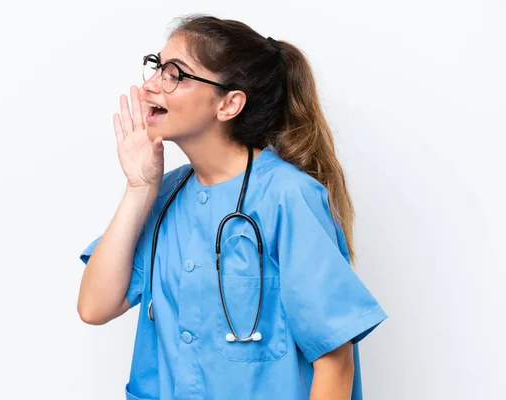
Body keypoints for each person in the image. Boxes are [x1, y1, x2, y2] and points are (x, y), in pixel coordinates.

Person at [77, 14, 387, 400]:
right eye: (157, 67)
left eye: (175, 74)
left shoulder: (287, 197)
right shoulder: (164, 195)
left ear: (229, 104)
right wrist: (139, 188)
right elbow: (94, 307)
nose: (150, 85)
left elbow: (335, 363)